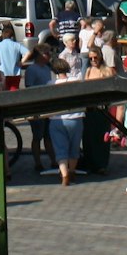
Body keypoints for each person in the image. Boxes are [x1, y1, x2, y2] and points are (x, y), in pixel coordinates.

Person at [48, 50, 85, 187]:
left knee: (60, 149)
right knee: (74, 148)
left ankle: (64, 175)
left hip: (57, 119)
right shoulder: (76, 81)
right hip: (76, 117)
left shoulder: (50, 84)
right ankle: (73, 170)